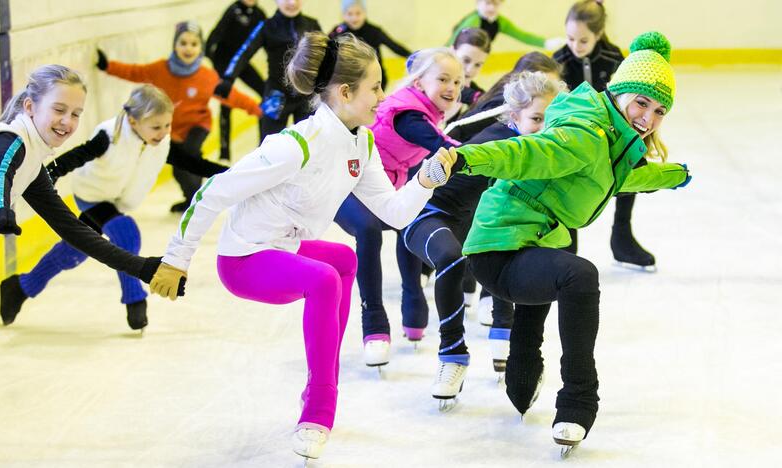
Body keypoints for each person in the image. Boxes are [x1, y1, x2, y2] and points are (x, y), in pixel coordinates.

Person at [148, 32, 455, 460]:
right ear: (345, 92)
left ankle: (320, 379)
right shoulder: (293, 147)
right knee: (325, 278)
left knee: (343, 259)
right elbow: (213, 192)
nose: (383, 98)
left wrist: (426, 180)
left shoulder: (361, 143)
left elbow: (395, 213)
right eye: (375, 87)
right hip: (245, 260)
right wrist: (175, 260)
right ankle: (318, 408)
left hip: (287, 250)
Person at [447, 32, 691, 451]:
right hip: (497, 248)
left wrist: (675, 175)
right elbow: (526, 152)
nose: (647, 117)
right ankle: (579, 399)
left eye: (658, 110)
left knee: (560, 257)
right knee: (578, 274)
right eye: (641, 103)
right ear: (617, 93)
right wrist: (465, 159)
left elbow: (625, 178)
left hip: (532, 240)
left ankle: (524, 366)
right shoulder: (586, 134)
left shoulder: (612, 144)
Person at [0, 65, 167, 468]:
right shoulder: (11, 140)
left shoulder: (32, 158)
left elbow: (75, 231)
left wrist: (141, 267)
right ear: (31, 106)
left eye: (76, 113)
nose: (68, 122)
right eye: (59, 110)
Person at [0, 85, 228, 331]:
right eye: (156, 127)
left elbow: (194, 163)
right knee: (126, 234)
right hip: (94, 195)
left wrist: (235, 176)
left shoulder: (161, 143)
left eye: (166, 126)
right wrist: (53, 172)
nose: (162, 133)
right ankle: (134, 298)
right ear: (133, 121)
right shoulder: (111, 136)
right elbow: (80, 154)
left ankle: (21, 287)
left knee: (73, 252)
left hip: (118, 200)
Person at [403, 71, 565, 406]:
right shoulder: (499, 143)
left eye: (552, 119)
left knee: (509, 243)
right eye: (536, 118)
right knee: (451, 256)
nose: (544, 127)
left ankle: (504, 339)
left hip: (469, 224)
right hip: (424, 215)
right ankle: (452, 356)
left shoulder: (538, 148)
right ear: (513, 115)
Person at [333, 47, 463, 367]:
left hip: (384, 185)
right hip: (346, 187)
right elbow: (444, 148)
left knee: (409, 220)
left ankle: (413, 300)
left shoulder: (426, 108)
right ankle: (374, 322)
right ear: (419, 84)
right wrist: (498, 154)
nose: (453, 88)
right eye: (443, 79)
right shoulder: (409, 115)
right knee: (368, 230)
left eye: (458, 82)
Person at [97, 20, 261, 212]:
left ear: (201, 48)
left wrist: (259, 110)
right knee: (179, 169)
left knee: (189, 156)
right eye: (183, 43)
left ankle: (200, 198)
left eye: (194, 44)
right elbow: (135, 72)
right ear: (175, 45)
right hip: (170, 130)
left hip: (198, 126)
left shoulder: (206, 77)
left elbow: (232, 97)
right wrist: (107, 66)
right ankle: (192, 198)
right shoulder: (160, 69)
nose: (188, 48)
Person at [553, 0, 656, 269]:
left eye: (583, 39)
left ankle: (622, 237)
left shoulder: (615, 59)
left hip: (613, 135)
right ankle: (566, 243)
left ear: (598, 34)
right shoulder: (560, 61)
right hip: (575, 140)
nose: (576, 45)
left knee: (631, 169)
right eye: (570, 38)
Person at [218, 0, 322, 141]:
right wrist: (228, 78)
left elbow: (326, 55)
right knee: (269, 145)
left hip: (306, 94)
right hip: (276, 95)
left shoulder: (312, 25)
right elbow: (245, 52)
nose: (292, 2)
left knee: (311, 144)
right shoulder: (266, 27)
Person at [205, 0, 267, 161]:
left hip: (242, 62)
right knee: (226, 101)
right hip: (223, 61)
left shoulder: (260, 15)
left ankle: (264, 144)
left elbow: (267, 39)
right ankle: (224, 152)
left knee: (266, 91)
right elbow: (215, 34)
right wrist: (211, 60)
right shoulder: (233, 10)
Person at [329, 0, 411, 89]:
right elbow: (326, 47)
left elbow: (394, 46)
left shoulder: (374, 31)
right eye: (350, 14)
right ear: (343, 15)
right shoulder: (338, 31)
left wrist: (412, 56)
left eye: (358, 13)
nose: (354, 18)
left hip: (375, 79)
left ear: (364, 13)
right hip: (349, 80)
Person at [449, 0, 563, 50]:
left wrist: (545, 43)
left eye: (496, 3)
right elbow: (454, 40)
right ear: (478, 3)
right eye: (487, 3)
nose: (491, 8)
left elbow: (522, 36)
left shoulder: (500, 22)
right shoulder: (473, 21)